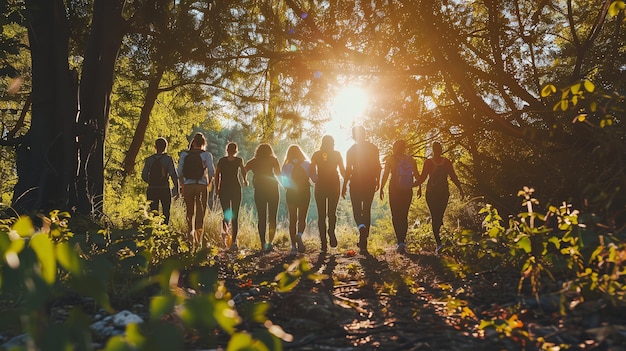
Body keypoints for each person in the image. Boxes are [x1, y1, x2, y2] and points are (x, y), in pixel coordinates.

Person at [414, 141, 464, 255]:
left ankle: (439, 242)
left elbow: (422, 178)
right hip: (443, 193)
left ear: (433, 150)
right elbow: (453, 177)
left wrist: (412, 185)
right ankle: (440, 242)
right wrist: (460, 189)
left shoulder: (429, 162)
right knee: (438, 216)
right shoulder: (446, 162)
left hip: (432, 194)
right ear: (440, 149)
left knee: (436, 217)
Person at [342, 125, 381, 253]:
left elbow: (348, 169)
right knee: (367, 210)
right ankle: (363, 242)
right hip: (370, 182)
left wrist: (344, 185)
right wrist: (377, 180)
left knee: (357, 210)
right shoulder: (373, 148)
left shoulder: (351, 150)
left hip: (356, 182)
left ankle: (361, 228)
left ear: (354, 136)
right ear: (365, 134)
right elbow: (378, 166)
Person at [379, 140, 421, 253]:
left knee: (396, 215)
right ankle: (403, 241)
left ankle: (400, 241)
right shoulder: (411, 160)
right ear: (404, 147)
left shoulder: (390, 159)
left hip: (394, 189)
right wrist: (419, 187)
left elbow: (386, 174)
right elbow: (417, 175)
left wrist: (381, 188)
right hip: (408, 189)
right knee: (404, 215)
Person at [177, 132, 215, 250]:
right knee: (200, 214)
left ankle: (190, 240)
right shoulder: (207, 155)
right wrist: (208, 183)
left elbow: (179, 172)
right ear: (203, 143)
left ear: (193, 143)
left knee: (189, 213)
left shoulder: (184, 154)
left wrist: (182, 183)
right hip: (201, 186)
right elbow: (212, 172)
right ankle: (198, 243)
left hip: (188, 186)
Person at [310, 135, 345, 252]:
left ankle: (323, 243)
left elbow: (311, 169)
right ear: (332, 143)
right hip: (334, 185)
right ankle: (331, 232)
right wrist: (349, 179)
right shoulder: (337, 154)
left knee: (321, 215)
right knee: (332, 213)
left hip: (320, 186)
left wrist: (315, 178)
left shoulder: (316, 154)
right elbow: (342, 170)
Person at [245, 143, 281, 253]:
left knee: (262, 217)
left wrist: (245, 180)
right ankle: (270, 243)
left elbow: (244, 169)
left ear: (258, 151)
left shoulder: (254, 161)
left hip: (259, 190)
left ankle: (262, 243)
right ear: (270, 151)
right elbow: (279, 174)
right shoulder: (273, 159)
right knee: (272, 217)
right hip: (273, 189)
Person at [214, 142, 248, 251]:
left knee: (226, 214)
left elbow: (217, 175)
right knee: (235, 216)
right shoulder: (239, 160)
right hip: (235, 189)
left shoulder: (222, 161)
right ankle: (233, 242)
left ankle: (224, 239)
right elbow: (243, 171)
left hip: (224, 189)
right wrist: (245, 180)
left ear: (227, 150)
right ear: (236, 150)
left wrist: (217, 188)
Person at [281, 144, 312, 255]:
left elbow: (284, 184)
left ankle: (293, 246)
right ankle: (299, 235)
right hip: (304, 193)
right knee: (302, 218)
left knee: (292, 219)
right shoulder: (307, 164)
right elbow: (314, 178)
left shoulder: (286, 166)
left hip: (291, 193)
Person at [141, 137, 179, 224]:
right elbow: (173, 174)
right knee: (166, 211)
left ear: (155, 147)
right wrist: (177, 188)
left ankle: (154, 231)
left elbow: (143, 175)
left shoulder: (149, 159)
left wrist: (151, 182)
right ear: (166, 147)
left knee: (153, 212)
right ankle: (164, 231)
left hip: (152, 189)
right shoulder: (168, 159)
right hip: (164, 188)